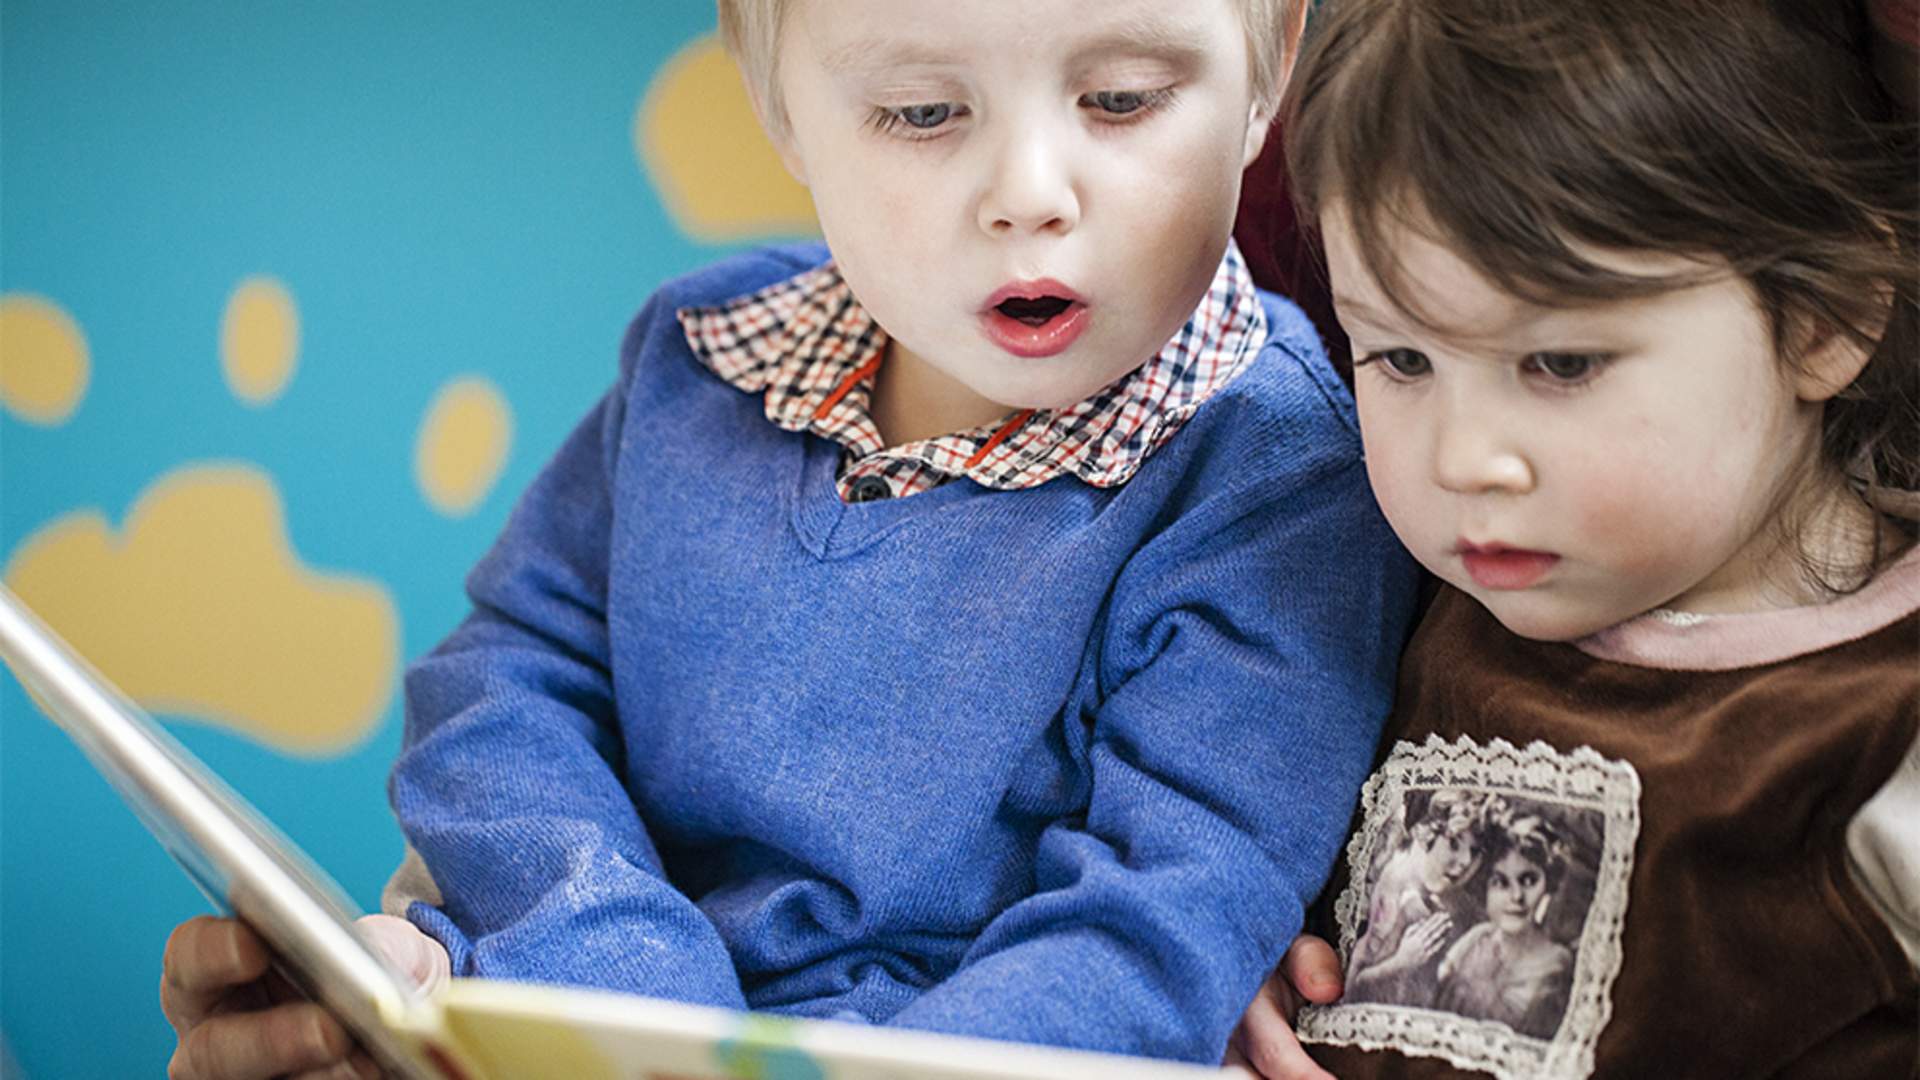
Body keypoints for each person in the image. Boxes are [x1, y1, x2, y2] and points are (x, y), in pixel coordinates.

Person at [159, 0, 1424, 1076]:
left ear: (1268, 78)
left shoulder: (1277, 474)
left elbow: (1162, 919)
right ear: (777, 108)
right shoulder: (702, 356)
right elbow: (502, 690)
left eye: (1124, 99)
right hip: (592, 998)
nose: (1029, 196)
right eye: (923, 113)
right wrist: (609, 980)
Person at [1227, 0, 1920, 1076]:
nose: (1464, 460)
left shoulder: (1885, 717)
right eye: (1401, 361)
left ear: (1823, 320)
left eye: (1559, 364)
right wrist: (1243, 950)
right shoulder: (1374, 593)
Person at [1337, 789, 1487, 1007]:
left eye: (1475, 852)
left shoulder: (1434, 896)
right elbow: (1351, 987)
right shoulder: (1395, 891)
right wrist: (1401, 962)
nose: (1465, 861)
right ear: (1423, 832)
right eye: (1453, 843)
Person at [1431, 815, 1573, 1041]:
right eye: (1500, 882)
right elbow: (1437, 996)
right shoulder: (1478, 937)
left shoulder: (1555, 962)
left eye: (1528, 880)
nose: (1516, 896)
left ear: (1548, 884)